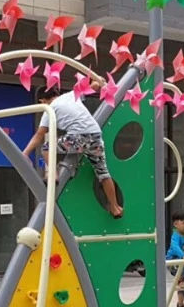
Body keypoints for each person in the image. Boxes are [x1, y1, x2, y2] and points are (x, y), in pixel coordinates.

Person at [22, 86, 123, 219]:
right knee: (103, 173)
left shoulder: (49, 110)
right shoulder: (71, 94)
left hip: (78, 136)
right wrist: (99, 83)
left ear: (42, 101)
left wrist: (25, 153)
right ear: (56, 93)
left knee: (46, 148)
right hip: (95, 135)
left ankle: (54, 175)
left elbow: (39, 135)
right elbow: (93, 86)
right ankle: (115, 207)